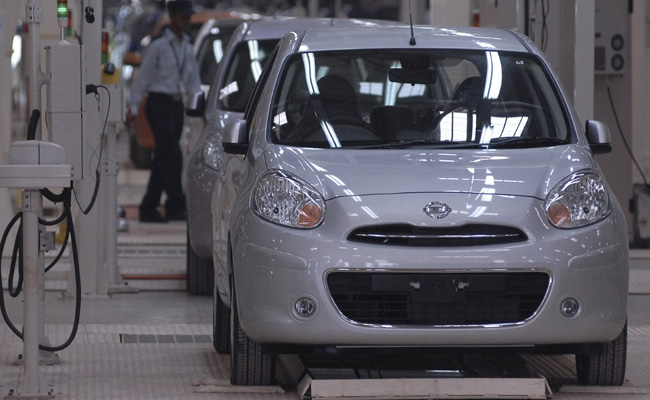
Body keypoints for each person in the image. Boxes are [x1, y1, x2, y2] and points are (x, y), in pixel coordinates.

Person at [127, 0, 200, 222]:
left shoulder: (187, 46)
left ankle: (148, 207)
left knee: (163, 157)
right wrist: (132, 108)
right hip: (158, 103)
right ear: (172, 16)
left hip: (176, 105)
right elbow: (142, 79)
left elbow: (193, 83)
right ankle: (175, 204)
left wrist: (197, 106)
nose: (186, 22)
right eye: (183, 17)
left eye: (188, 17)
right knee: (173, 155)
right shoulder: (158, 46)